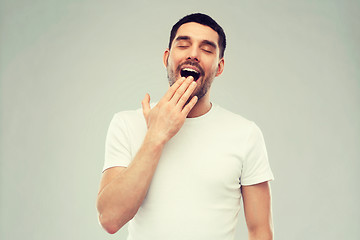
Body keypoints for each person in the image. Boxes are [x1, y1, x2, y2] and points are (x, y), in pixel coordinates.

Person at [96, 13, 274, 240]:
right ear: (167, 58)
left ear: (219, 67)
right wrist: (156, 135)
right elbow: (110, 219)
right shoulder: (126, 124)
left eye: (207, 49)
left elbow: (261, 231)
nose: (193, 54)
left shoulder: (246, 134)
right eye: (183, 45)